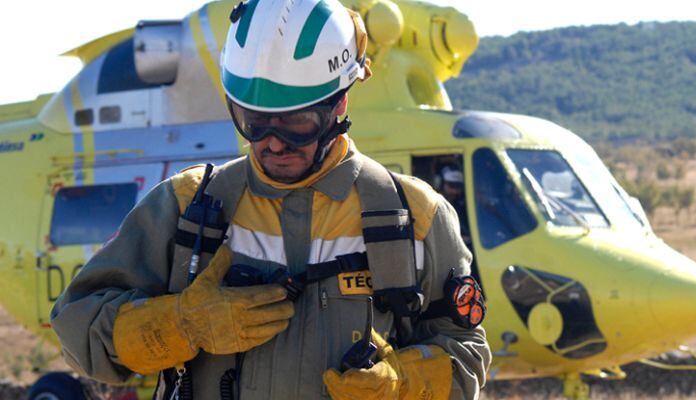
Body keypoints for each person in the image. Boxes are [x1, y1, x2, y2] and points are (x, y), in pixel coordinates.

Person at [50, 1, 491, 399]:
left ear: (339, 104)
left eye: (295, 123)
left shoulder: (414, 217)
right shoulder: (188, 205)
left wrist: (401, 383)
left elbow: (467, 352)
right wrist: (179, 324)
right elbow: (76, 330)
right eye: (253, 122)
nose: (272, 144)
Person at [437, 164, 471, 247]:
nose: (455, 191)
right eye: (451, 186)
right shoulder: (434, 205)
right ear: (440, 183)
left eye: (458, 187)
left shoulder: (462, 206)